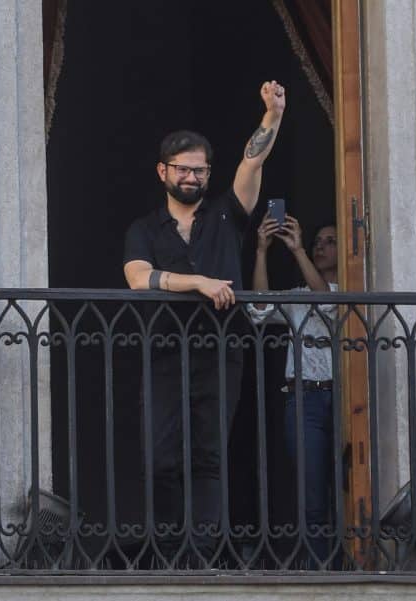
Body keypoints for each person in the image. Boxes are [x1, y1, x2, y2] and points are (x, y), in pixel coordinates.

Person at [122, 81, 286, 564]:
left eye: (200, 169)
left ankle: (204, 553)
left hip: (221, 354)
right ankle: (169, 548)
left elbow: (252, 162)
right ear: (163, 172)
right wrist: (196, 282)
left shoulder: (226, 216)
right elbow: (137, 278)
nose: (192, 176)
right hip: (165, 354)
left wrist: (272, 115)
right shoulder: (145, 229)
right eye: (183, 168)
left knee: (209, 457)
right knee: (160, 458)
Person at [249, 215, 338, 565]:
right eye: (317, 240)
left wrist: (298, 249)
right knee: (312, 494)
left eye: (329, 240)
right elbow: (259, 308)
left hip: (347, 399)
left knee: (348, 487)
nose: (320, 245)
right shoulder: (297, 297)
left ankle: (351, 561)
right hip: (304, 400)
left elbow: (329, 302)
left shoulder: (353, 289)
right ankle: (321, 570)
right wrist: (261, 251)